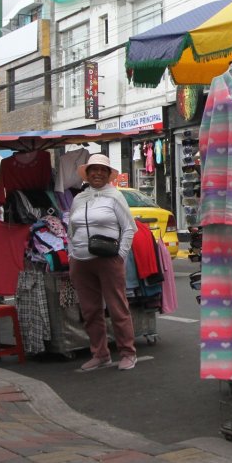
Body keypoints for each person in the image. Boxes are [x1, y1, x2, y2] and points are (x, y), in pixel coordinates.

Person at [67, 154, 139, 371]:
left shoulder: (115, 196)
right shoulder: (79, 198)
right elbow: (71, 230)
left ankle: (128, 352)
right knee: (90, 311)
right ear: (87, 174)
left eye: (102, 170)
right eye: (93, 170)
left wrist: (120, 255)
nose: (97, 173)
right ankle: (100, 354)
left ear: (108, 175)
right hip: (81, 260)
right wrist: (72, 256)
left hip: (108, 259)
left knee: (117, 308)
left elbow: (129, 228)